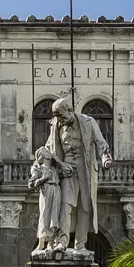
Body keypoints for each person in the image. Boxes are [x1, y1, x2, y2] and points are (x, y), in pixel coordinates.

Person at [43, 96, 111, 258]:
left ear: (69, 110)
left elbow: (100, 141)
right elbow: (48, 148)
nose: (58, 118)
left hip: (86, 169)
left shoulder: (88, 122)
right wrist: (57, 163)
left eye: (60, 114)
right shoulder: (57, 126)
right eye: (56, 115)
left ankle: (80, 244)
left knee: (85, 207)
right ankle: (62, 242)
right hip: (67, 171)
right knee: (65, 206)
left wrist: (105, 157)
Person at [27, 145, 64, 255]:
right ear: (41, 156)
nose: (48, 152)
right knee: (45, 215)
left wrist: (58, 161)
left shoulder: (55, 168)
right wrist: (42, 179)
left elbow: (68, 171)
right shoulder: (38, 168)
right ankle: (42, 241)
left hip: (56, 190)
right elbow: (31, 184)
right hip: (46, 191)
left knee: (54, 216)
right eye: (45, 151)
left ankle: (51, 243)